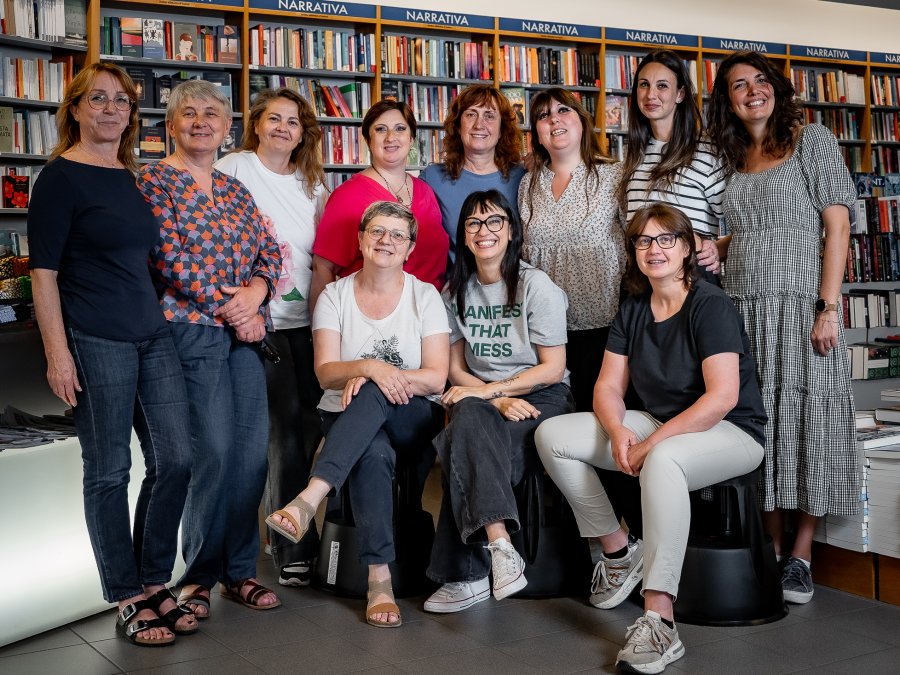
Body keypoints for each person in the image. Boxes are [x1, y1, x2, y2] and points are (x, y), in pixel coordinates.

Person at [535, 203, 766, 674]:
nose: (654, 249)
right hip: (660, 423)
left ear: (687, 248)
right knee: (552, 434)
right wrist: (618, 429)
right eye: (643, 241)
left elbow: (722, 398)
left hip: (731, 431)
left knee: (663, 461)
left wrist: (647, 444)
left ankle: (660, 620)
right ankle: (620, 551)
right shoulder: (634, 308)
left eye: (666, 239)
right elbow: (607, 386)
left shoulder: (710, 305)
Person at [28, 63, 195, 646]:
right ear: (75, 108)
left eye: (121, 101)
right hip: (96, 338)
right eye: (97, 99)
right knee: (108, 471)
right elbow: (43, 274)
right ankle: (126, 594)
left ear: (131, 115)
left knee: (177, 459)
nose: (110, 109)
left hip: (152, 335)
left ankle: (154, 579)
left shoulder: (131, 176)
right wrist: (57, 353)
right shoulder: (58, 179)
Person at [706, 50, 858, 604]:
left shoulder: (812, 140)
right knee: (761, 425)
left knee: (810, 421)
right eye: (738, 85)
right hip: (744, 311)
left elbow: (837, 226)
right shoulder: (733, 157)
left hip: (801, 309)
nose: (752, 91)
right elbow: (753, 230)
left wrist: (828, 307)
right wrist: (717, 248)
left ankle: (802, 554)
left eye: (760, 80)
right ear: (727, 100)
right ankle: (770, 547)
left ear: (776, 86)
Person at [266, 201, 450, 628]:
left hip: (412, 418)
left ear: (410, 248)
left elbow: (436, 378)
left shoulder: (425, 296)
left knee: (372, 389)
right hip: (345, 415)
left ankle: (309, 498)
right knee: (373, 453)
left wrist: (374, 375)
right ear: (361, 239)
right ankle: (379, 580)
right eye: (377, 231)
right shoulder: (334, 296)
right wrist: (369, 367)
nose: (386, 240)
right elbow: (325, 373)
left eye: (397, 235)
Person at [139, 79, 282, 618]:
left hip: (246, 336)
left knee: (250, 456)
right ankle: (198, 577)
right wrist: (236, 309)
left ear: (227, 128)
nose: (201, 122)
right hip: (190, 330)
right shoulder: (154, 182)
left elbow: (269, 251)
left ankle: (239, 571)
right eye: (189, 113)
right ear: (171, 124)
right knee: (214, 452)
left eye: (211, 114)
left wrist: (257, 293)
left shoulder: (235, 189)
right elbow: (167, 258)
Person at [423, 190, 574, 613]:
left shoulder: (535, 285)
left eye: (494, 221)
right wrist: (493, 399)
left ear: (510, 231)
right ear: (463, 236)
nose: (484, 230)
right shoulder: (454, 292)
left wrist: (496, 393)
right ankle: (501, 545)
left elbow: (552, 368)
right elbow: (455, 369)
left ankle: (466, 575)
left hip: (541, 395)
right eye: (473, 223)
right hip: (480, 395)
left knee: (465, 448)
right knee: (469, 423)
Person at [215, 87, 328, 590]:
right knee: (281, 430)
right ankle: (292, 547)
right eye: (274, 118)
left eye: (293, 121)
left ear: (303, 133)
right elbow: (217, 241)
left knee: (309, 426)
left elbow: (322, 254)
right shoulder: (235, 168)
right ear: (257, 124)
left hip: (309, 320)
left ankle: (277, 523)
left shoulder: (313, 183)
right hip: (259, 322)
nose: (284, 128)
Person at [518, 87, 625, 413]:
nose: (554, 120)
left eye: (563, 110)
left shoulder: (615, 175)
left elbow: (638, 241)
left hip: (604, 326)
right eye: (544, 115)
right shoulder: (527, 184)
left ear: (582, 121)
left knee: (600, 419)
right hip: (545, 330)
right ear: (536, 133)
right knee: (552, 421)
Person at [310, 99, 448, 313]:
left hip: (430, 315)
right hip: (371, 318)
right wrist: (323, 326)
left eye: (400, 129)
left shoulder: (426, 191)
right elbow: (322, 269)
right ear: (367, 139)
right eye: (380, 129)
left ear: (411, 138)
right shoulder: (348, 196)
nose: (391, 137)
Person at [618, 49, 724, 277]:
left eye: (662, 86)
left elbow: (741, 225)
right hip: (641, 276)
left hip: (690, 274)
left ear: (680, 94)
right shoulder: (633, 153)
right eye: (644, 85)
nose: (651, 94)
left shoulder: (708, 151)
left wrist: (716, 248)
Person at [421, 84, 525, 263]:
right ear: (458, 126)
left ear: (501, 130)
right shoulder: (433, 178)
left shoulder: (523, 177)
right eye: (471, 114)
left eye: (489, 116)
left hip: (511, 279)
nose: (479, 125)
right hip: (455, 280)